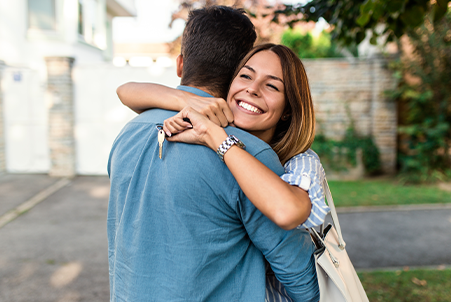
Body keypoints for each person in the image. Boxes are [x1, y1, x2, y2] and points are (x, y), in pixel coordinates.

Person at [108, 6, 319, 302]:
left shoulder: (129, 133)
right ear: (236, 74)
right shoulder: (248, 153)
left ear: (180, 65)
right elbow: (302, 281)